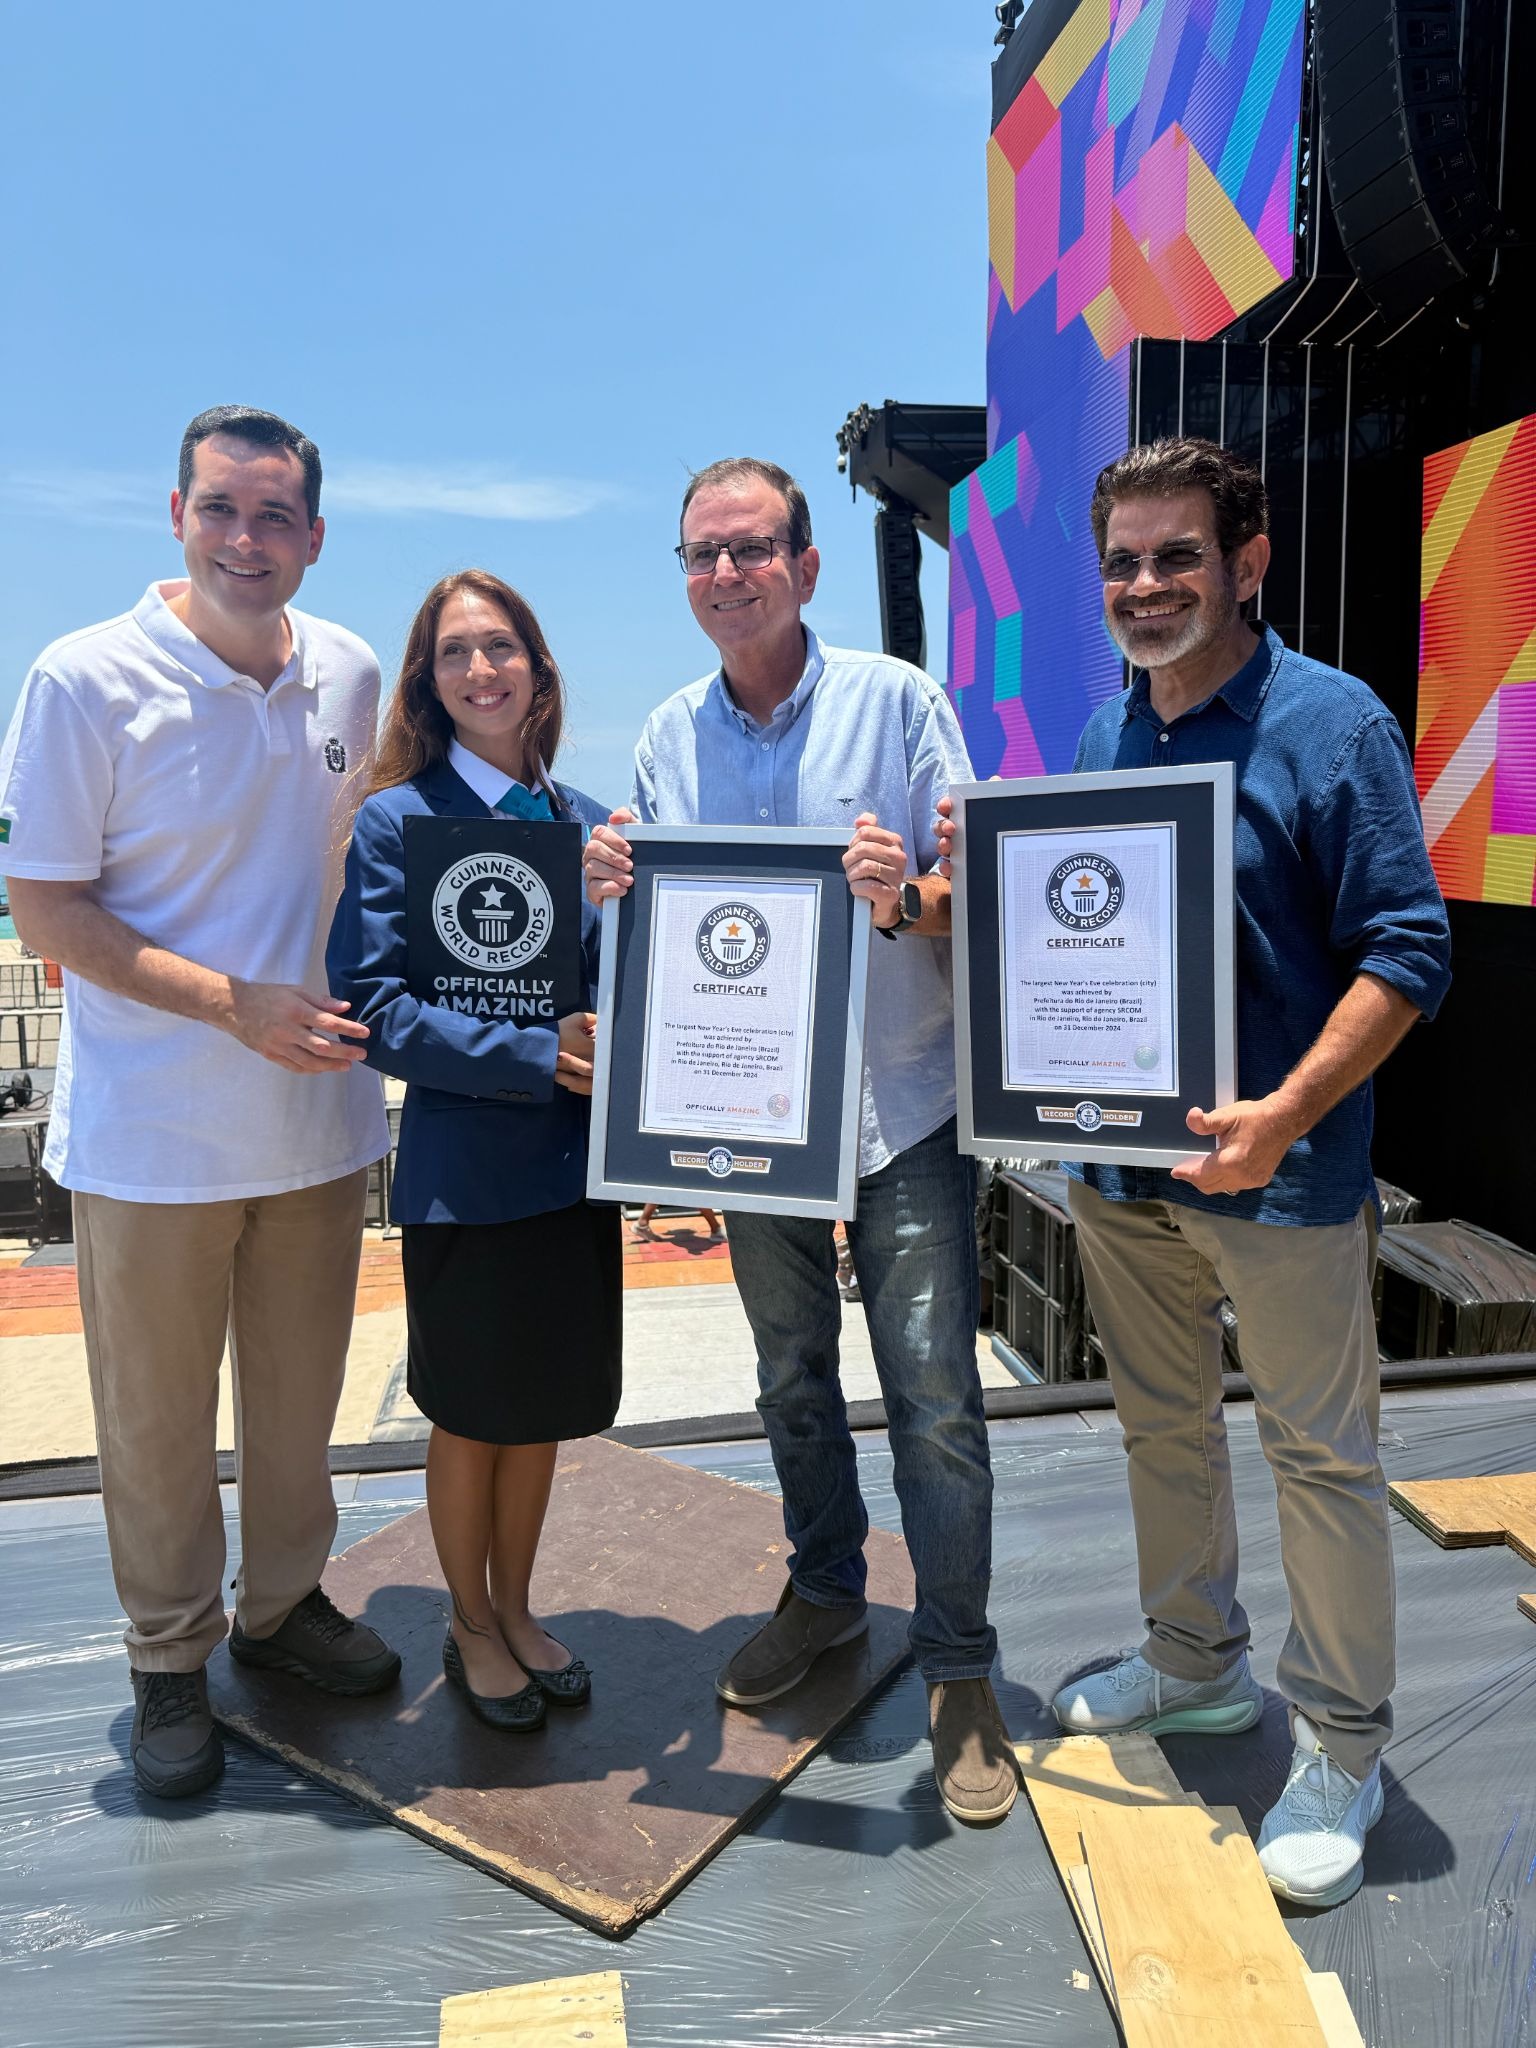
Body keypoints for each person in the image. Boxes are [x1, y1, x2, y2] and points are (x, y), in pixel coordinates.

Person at [945, 437, 1450, 1905]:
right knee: (1161, 1432)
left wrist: (1288, 1110)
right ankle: (1195, 1665)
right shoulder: (1108, 740)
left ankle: (1345, 1743)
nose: (1145, 585)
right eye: (1121, 561)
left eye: (1176, 556)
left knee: (1322, 1462)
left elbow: (1410, 951)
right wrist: (946, 892)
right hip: (1128, 1184)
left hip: (1282, 1185)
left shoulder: (1329, 722)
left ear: (1248, 562)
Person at [583, 457, 1013, 1824]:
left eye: (751, 549)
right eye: (701, 553)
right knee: (789, 1379)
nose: (725, 574)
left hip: (902, 1108)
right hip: (752, 1135)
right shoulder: (666, 735)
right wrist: (614, 894)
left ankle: (958, 1667)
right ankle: (828, 1589)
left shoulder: (900, 703)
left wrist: (906, 897)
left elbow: (976, 889)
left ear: (808, 566)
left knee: (935, 1399)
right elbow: (667, 942)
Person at [0, 405, 400, 1799]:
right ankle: (169, 1656)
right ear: (176, 514)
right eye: (222, 509)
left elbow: (407, 845)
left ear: (314, 536)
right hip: (153, 1133)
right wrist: (232, 1003)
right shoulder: (83, 678)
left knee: (299, 1410)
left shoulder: (350, 673)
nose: (248, 539)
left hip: (317, 1127)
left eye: (275, 516)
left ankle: (283, 1610)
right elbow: (44, 902)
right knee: (158, 1424)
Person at [327, 569, 619, 1732]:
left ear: (538, 671)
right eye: (456, 652)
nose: (482, 669)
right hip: (469, 1170)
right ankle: (468, 1617)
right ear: (427, 680)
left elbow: (614, 990)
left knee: (537, 1408)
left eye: (502, 647)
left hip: (571, 1169)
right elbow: (375, 1009)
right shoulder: (401, 820)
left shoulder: (584, 821)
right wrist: (532, 1052)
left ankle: (517, 1600)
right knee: (472, 1412)